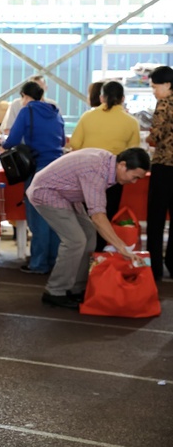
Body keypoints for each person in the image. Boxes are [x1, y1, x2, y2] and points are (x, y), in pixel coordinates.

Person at [27, 148, 149, 309]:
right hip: (47, 192)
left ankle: (77, 287)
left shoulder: (107, 164)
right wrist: (122, 248)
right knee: (75, 240)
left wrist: (121, 247)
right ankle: (55, 291)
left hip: (67, 194)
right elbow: (98, 217)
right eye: (134, 177)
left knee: (90, 234)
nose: (133, 182)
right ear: (122, 165)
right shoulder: (96, 170)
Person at [3, 80, 65, 275]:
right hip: (59, 168)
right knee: (55, 217)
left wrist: (3, 143)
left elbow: (12, 140)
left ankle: (38, 264)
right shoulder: (55, 112)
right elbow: (62, 140)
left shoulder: (27, 111)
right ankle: (53, 261)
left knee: (37, 218)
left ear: (26, 97)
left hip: (38, 169)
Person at [70, 81, 140, 251]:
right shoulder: (131, 122)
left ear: (102, 97)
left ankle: (82, 255)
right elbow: (134, 153)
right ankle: (97, 256)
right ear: (123, 99)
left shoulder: (88, 116)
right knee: (105, 217)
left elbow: (74, 144)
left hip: (87, 174)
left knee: (85, 216)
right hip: (113, 177)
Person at [146, 65, 173, 281]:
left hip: (164, 167)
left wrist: (151, 135)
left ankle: (154, 267)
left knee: (156, 219)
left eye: (156, 86)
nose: (154, 91)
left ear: (167, 85)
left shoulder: (163, 104)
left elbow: (157, 134)